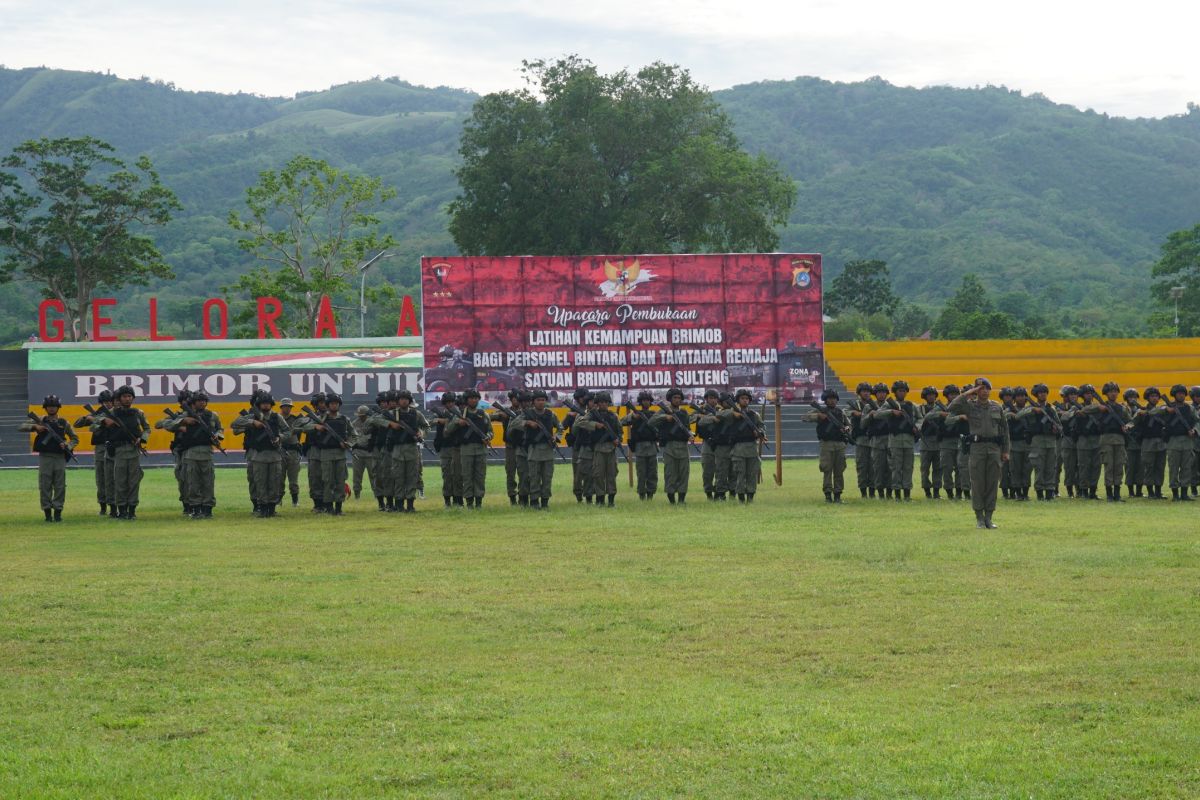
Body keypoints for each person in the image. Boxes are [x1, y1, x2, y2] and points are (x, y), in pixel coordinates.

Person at [946, 378, 1010, 529]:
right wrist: (968, 393)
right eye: (981, 389)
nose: (985, 391)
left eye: (987, 388)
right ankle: (979, 518)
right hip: (977, 449)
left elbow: (1005, 430)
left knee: (992, 484)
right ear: (976, 391)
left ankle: (989, 517)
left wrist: (1006, 450)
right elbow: (951, 407)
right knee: (978, 484)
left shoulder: (997, 407)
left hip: (994, 449)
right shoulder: (970, 407)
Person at [162, 390, 224, 518]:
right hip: (190, 452)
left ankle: (207, 509)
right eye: (199, 401)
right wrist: (183, 422)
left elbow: (219, 429)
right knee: (192, 482)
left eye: (204, 401)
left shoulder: (212, 415)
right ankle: (195, 508)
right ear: (194, 403)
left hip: (207, 452)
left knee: (208, 481)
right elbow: (166, 424)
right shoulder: (185, 415)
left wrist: (217, 436)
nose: (202, 403)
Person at [20, 394, 78, 521]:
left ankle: (58, 512)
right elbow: (21, 427)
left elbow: (75, 438)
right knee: (45, 484)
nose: (52, 409)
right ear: (45, 408)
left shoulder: (64, 422)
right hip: (45, 457)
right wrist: (35, 427)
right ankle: (47, 512)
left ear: (58, 407)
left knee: (60, 485)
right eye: (49, 406)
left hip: (59, 457)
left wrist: (67, 445)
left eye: (54, 406)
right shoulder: (40, 420)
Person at [369, 389, 428, 512]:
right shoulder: (391, 413)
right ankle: (399, 503)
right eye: (401, 399)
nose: (404, 401)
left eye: (406, 399)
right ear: (398, 401)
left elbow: (425, 426)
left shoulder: (416, 414)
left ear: (409, 400)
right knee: (398, 477)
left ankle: (410, 504)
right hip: (397, 449)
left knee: (412, 477)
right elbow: (375, 419)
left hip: (411, 448)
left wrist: (421, 433)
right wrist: (390, 424)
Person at [232, 392, 288, 517]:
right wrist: (252, 423)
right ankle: (261, 509)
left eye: (268, 403)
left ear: (271, 404)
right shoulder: (252, 416)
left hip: (274, 455)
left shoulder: (276, 417)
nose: (266, 405)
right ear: (258, 405)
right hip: (258, 455)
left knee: (274, 482)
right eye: (263, 403)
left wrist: (280, 438)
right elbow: (234, 424)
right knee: (260, 482)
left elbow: (288, 431)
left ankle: (272, 509)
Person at [101, 385, 151, 520]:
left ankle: (132, 509)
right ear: (119, 398)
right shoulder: (111, 412)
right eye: (124, 396)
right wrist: (106, 422)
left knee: (134, 481)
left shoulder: (138, 413)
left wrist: (142, 438)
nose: (127, 399)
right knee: (120, 481)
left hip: (133, 450)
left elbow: (147, 429)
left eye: (130, 396)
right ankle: (121, 509)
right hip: (119, 451)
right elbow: (94, 424)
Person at [300, 394, 352, 514]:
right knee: (325, 480)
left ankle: (338, 508)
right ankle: (326, 507)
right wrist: (316, 426)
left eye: (336, 403)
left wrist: (348, 443)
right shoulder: (319, 418)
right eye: (331, 403)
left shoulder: (344, 419)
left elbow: (353, 434)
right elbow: (301, 427)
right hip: (324, 453)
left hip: (339, 453)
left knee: (340, 480)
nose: (334, 405)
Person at [1082, 381, 1133, 502]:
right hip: (1105, 439)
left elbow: (1131, 421)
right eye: (1111, 391)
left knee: (1119, 466)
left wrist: (1128, 427)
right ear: (1106, 393)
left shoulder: (1122, 408)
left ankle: (1117, 494)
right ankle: (1109, 494)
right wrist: (1098, 407)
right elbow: (1084, 409)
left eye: (1115, 391)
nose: (1113, 394)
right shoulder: (1101, 407)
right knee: (1109, 466)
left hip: (1120, 439)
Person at [511, 389, 561, 510]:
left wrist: (556, 436)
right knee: (534, 477)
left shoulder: (550, 414)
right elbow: (514, 424)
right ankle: (534, 501)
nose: (541, 402)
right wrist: (527, 423)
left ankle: (545, 502)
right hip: (534, 450)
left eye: (543, 400)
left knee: (547, 477)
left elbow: (561, 428)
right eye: (538, 400)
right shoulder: (527, 414)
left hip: (548, 450)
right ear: (533, 401)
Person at [718, 388, 766, 503]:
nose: (745, 401)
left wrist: (760, 432)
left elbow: (762, 426)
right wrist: (733, 413)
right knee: (740, 474)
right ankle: (740, 498)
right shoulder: (732, 413)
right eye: (742, 398)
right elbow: (719, 414)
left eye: (747, 399)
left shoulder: (754, 414)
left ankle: (750, 497)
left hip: (752, 447)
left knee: (751, 474)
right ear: (737, 400)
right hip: (738, 448)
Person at [576, 391, 622, 506]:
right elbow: (581, 423)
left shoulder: (613, 416)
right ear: (597, 403)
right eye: (601, 402)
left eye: (605, 402)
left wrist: (618, 439)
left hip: (611, 449)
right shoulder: (592, 414)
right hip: (598, 449)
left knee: (611, 475)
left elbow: (619, 430)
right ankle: (600, 500)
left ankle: (611, 500)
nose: (603, 404)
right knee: (598, 475)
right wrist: (595, 425)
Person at [449, 388, 492, 508]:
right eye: (471, 398)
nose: (473, 400)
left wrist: (488, 437)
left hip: (481, 448)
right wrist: (458, 422)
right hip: (466, 449)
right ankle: (469, 502)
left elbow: (490, 431)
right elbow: (448, 431)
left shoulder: (484, 414)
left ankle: (478, 502)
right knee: (467, 476)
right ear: (467, 400)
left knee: (480, 476)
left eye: (475, 398)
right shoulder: (460, 414)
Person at [1019, 383, 1062, 500]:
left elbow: (1059, 425)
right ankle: (1039, 493)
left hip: (1051, 440)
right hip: (1037, 441)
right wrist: (1033, 409)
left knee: (1051, 467)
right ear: (1036, 395)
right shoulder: (1030, 407)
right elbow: (1019, 415)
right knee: (1039, 467)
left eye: (1045, 392)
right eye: (1040, 392)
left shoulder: (1051, 408)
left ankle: (1049, 492)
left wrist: (1056, 429)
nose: (1043, 394)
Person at [651, 388, 694, 504]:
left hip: (683, 446)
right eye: (675, 398)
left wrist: (690, 435)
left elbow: (687, 428)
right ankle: (672, 501)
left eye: (679, 398)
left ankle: (681, 500)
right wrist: (665, 417)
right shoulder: (664, 411)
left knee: (684, 474)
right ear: (670, 399)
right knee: (670, 474)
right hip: (670, 446)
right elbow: (651, 422)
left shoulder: (684, 413)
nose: (677, 400)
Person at [75, 390, 115, 516]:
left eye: (110, 401)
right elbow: (76, 424)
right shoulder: (96, 413)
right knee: (101, 477)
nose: (107, 404)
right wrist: (87, 418)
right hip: (100, 447)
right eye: (105, 402)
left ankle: (114, 505)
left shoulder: (116, 413)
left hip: (114, 446)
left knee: (112, 478)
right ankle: (103, 505)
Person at [807, 389, 850, 502]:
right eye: (830, 399)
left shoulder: (840, 412)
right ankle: (828, 494)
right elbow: (805, 417)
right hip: (826, 444)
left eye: (834, 399)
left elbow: (848, 424)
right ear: (825, 400)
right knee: (827, 469)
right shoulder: (820, 411)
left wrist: (847, 428)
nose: (832, 401)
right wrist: (818, 416)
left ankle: (837, 495)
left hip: (840, 444)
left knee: (839, 470)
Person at [156, 389, 191, 513]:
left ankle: (196, 504)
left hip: (192, 449)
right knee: (182, 478)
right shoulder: (177, 416)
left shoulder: (199, 415)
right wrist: (178, 425)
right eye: (184, 401)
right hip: (180, 450)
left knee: (193, 478)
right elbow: (159, 424)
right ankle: (186, 504)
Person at [884, 379, 918, 501]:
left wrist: (916, 427)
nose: (902, 393)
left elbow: (920, 418)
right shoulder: (888, 404)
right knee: (896, 468)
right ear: (895, 392)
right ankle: (897, 494)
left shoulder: (911, 405)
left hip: (908, 441)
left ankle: (907, 494)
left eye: (904, 391)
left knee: (908, 468)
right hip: (895, 441)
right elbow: (877, 414)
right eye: (899, 391)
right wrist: (891, 411)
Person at [623, 391, 660, 500]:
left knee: (652, 472)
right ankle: (641, 494)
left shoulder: (654, 414)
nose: (646, 402)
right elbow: (622, 421)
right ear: (640, 402)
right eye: (644, 400)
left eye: (648, 400)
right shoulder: (635, 414)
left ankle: (650, 493)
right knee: (641, 472)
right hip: (640, 447)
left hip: (652, 446)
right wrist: (633, 417)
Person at [1164, 384, 1198, 501]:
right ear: (1174, 395)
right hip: (1173, 442)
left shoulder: (1190, 408)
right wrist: (1166, 409)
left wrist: (1194, 430)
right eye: (1179, 393)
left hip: (1188, 442)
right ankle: (1175, 494)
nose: (1181, 395)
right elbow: (1152, 411)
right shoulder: (1168, 407)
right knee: (1173, 468)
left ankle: (1184, 493)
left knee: (1186, 468)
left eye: (1183, 393)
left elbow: (1198, 421)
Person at [1134, 387, 1168, 500]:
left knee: (1160, 467)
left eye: (1156, 396)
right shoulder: (1141, 411)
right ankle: (1150, 492)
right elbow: (1133, 423)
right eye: (1152, 396)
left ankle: (1158, 491)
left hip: (1161, 441)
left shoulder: (1162, 410)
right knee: (1149, 467)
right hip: (1147, 442)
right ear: (1148, 398)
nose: (1154, 398)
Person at [491, 389, 523, 505]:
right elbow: (489, 418)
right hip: (510, 447)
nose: (517, 401)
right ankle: (512, 497)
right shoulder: (505, 412)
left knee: (523, 473)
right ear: (511, 400)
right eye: (515, 399)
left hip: (522, 446)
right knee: (510, 473)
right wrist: (500, 415)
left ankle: (523, 496)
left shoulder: (525, 412)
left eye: (519, 399)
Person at [846, 382, 876, 498]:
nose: (867, 393)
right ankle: (863, 492)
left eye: (868, 391)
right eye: (864, 391)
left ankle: (872, 492)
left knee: (873, 466)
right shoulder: (854, 404)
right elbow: (845, 412)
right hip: (861, 438)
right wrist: (855, 413)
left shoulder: (873, 404)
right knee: (862, 466)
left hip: (873, 438)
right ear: (859, 393)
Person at [563, 388, 591, 503]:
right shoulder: (572, 412)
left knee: (590, 472)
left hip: (589, 445)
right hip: (577, 446)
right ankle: (579, 495)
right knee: (578, 472)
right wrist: (570, 416)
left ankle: (589, 494)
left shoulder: (590, 410)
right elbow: (562, 426)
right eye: (582, 397)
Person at [694, 389, 723, 500]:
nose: (713, 400)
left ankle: (717, 492)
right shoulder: (700, 409)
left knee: (720, 470)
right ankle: (708, 493)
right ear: (706, 399)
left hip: (719, 444)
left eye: (715, 398)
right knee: (707, 471)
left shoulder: (720, 410)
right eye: (711, 398)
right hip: (707, 443)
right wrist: (709, 417)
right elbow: (691, 418)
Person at [1004, 387, 1032, 501]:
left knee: (1027, 469)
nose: (1021, 398)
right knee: (1015, 469)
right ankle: (1017, 493)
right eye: (1018, 396)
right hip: (1014, 443)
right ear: (1014, 398)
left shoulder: (1030, 410)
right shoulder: (1008, 411)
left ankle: (1025, 492)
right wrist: (1010, 413)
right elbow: (1003, 418)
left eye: (1023, 395)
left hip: (1027, 443)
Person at [936, 385, 964, 499]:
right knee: (947, 468)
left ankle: (959, 492)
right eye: (951, 394)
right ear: (947, 396)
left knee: (960, 468)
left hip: (959, 441)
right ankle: (949, 492)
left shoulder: (962, 408)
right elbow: (928, 416)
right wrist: (941, 414)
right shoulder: (941, 407)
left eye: (956, 394)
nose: (954, 396)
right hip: (946, 442)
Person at [916, 386, 943, 499]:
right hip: (926, 441)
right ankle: (927, 491)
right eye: (929, 395)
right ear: (925, 396)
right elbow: (919, 422)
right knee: (925, 469)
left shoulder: (941, 407)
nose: (931, 396)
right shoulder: (920, 408)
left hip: (938, 441)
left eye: (933, 394)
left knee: (938, 468)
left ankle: (936, 491)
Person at [303, 392, 328, 512]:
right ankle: (318, 504)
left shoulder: (334, 416)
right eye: (321, 403)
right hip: (314, 450)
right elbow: (300, 428)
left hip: (330, 450)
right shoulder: (309, 417)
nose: (323, 405)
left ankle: (328, 503)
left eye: (325, 402)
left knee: (329, 477)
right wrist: (314, 427)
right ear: (315, 405)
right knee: (315, 478)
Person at [277, 398, 304, 506]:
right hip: (280, 450)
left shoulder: (296, 419)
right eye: (285, 406)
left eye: (289, 406)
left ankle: (295, 500)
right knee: (279, 478)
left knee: (293, 479)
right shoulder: (276, 419)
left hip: (293, 451)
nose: (287, 408)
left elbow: (301, 431)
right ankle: (278, 500)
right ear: (281, 407)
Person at [1056, 386, 1081, 497]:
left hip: (1078, 439)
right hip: (1063, 439)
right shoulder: (1058, 407)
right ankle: (1059, 489)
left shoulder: (1080, 407)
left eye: (1075, 394)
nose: (1073, 396)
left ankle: (1079, 490)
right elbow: (1063, 418)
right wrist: (1071, 412)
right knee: (1063, 466)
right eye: (1070, 394)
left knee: (1079, 466)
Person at [351, 405, 378, 502]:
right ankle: (357, 495)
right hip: (357, 453)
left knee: (373, 475)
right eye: (360, 415)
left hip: (370, 453)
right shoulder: (354, 423)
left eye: (363, 415)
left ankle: (376, 494)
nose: (361, 417)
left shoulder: (373, 423)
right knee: (357, 476)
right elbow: (351, 436)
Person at [1123, 388, 1144, 498]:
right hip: (1129, 442)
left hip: (1140, 441)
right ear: (1126, 399)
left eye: (1135, 397)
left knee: (1140, 467)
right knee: (1130, 467)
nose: (1133, 399)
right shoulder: (1124, 409)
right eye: (1130, 397)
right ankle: (1131, 491)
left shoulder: (1140, 409)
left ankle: (1139, 491)